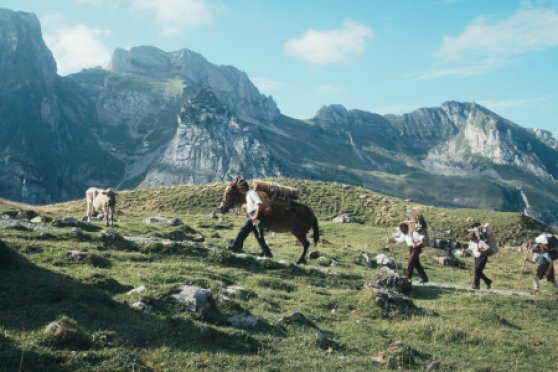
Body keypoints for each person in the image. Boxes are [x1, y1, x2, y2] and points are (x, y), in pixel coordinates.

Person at [228, 180, 273, 257]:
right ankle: (267, 254)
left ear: (242, 188)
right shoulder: (248, 194)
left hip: (256, 215)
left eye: (239, 190)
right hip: (254, 215)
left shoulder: (251, 193)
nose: (239, 191)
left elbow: (259, 204)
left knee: (243, 230)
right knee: (259, 236)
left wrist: (255, 216)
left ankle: (235, 247)